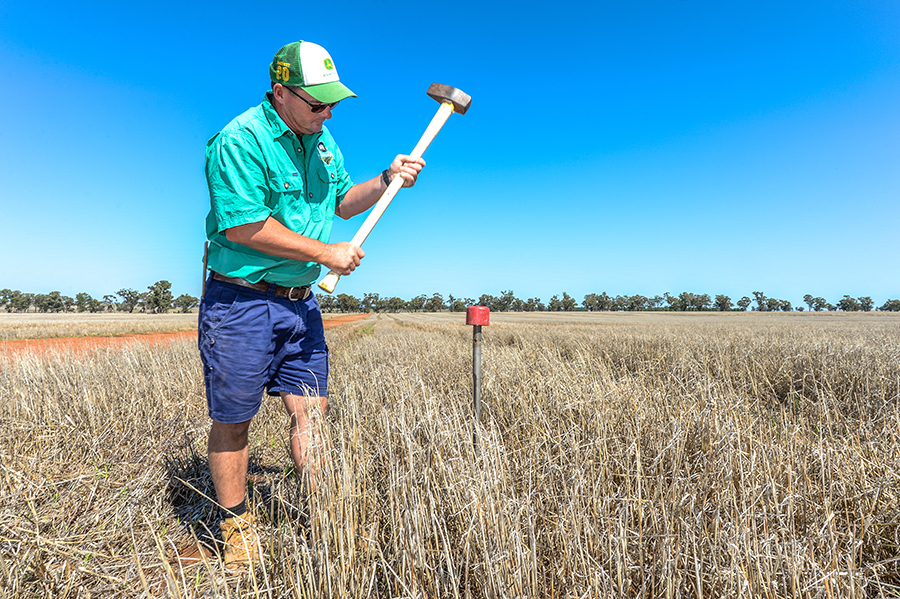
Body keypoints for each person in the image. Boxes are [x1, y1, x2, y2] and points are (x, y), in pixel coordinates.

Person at [199, 40, 425, 566]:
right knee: (235, 418)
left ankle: (324, 514)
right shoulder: (239, 140)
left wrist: (387, 179)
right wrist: (328, 254)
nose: (328, 113)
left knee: (312, 416)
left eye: (333, 104)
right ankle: (235, 525)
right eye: (318, 102)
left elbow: (344, 203)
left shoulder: (324, 143)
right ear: (280, 92)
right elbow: (245, 225)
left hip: (302, 305)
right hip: (242, 302)